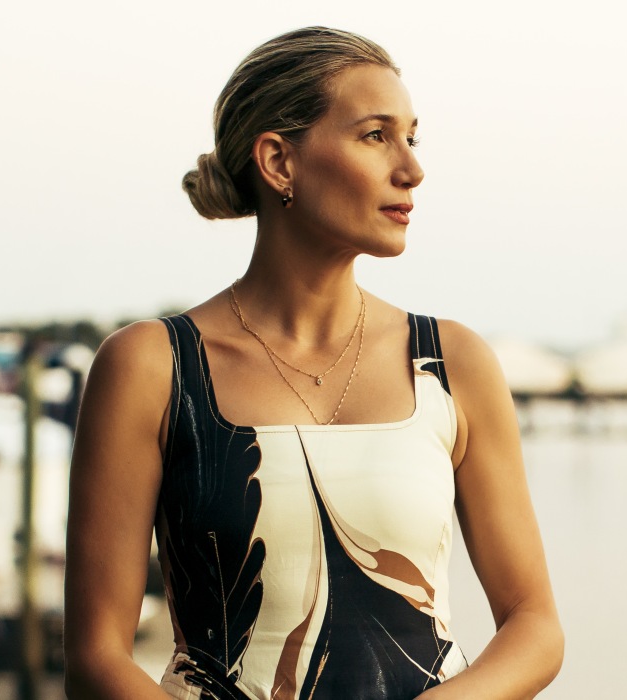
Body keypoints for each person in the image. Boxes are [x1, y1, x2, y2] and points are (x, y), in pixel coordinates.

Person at [64, 27, 563, 699]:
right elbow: (96, 657)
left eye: (412, 138)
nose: (411, 169)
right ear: (278, 162)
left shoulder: (451, 363)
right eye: (375, 136)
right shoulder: (152, 367)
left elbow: (535, 626)